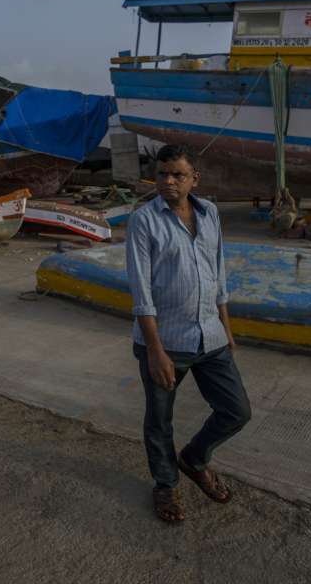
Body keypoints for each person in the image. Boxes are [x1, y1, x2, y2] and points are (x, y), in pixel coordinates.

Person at [126, 144, 251, 524]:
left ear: (195, 178)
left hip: (210, 337)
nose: (167, 181)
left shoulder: (210, 213)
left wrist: (226, 328)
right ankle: (165, 484)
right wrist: (155, 350)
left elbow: (219, 272)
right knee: (160, 420)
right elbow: (141, 291)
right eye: (162, 174)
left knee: (236, 410)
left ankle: (194, 460)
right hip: (166, 343)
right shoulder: (144, 220)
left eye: (177, 175)